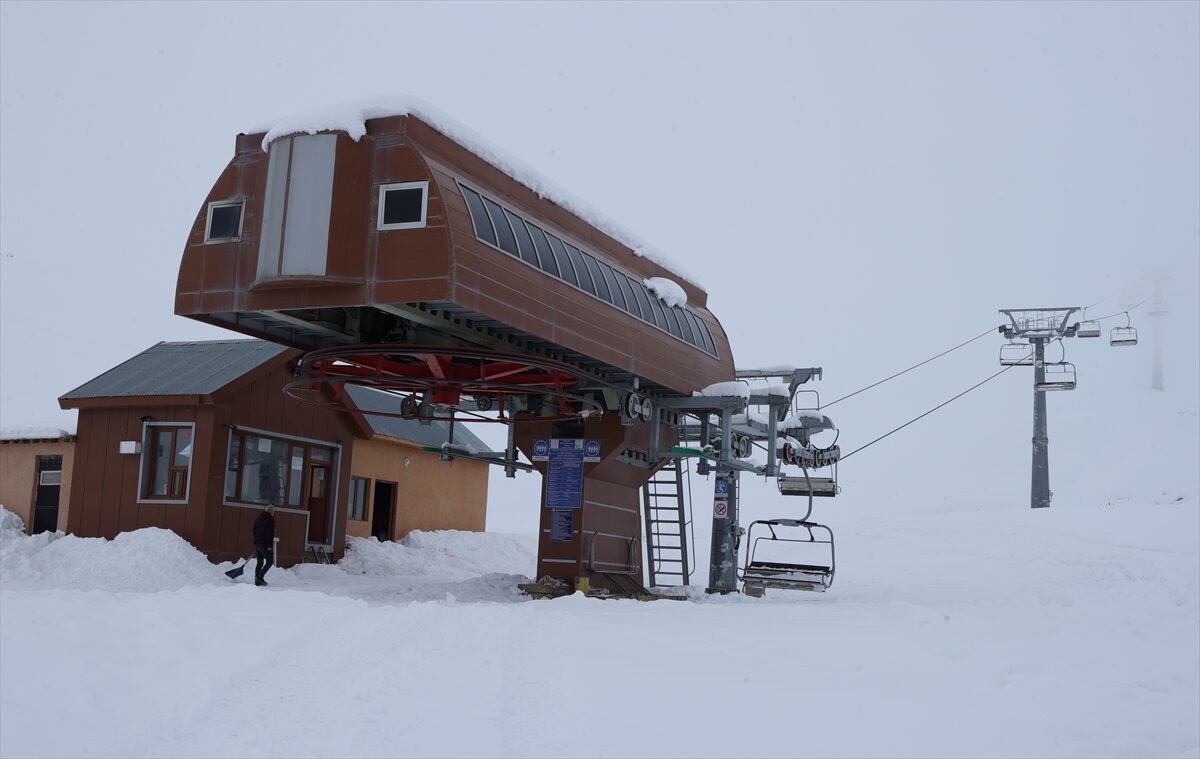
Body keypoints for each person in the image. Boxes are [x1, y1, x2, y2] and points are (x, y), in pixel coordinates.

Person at [252, 504, 276, 586]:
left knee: (260, 562)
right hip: (265, 544)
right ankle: (259, 577)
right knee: (270, 561)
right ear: (272, 512)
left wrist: (256, 541)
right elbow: (270, 533)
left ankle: (257, 580)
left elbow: (254, 530)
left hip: (257, 543)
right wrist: (269, 546)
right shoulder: (270, 520)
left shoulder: (258, 518)